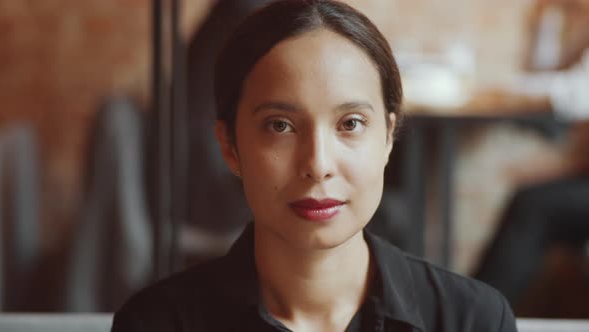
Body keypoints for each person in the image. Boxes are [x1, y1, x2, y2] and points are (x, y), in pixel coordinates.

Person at [111, 1, 517, 331]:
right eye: (280, 126)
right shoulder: (157, 324)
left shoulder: (473, 321)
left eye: (351, 124)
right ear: (230, 145)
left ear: (388, 137)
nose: (318, 165)